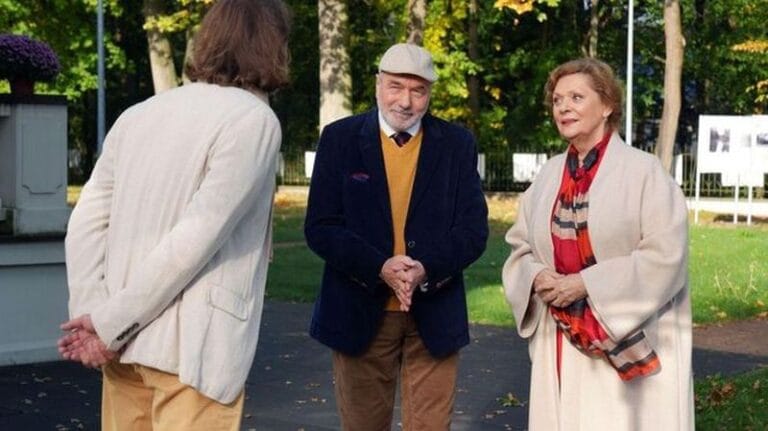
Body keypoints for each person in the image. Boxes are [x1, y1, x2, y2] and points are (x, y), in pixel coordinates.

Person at [57, 0, 290, 429]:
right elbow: (195, 239)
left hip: (123, 346)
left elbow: (86, 222)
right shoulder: (255, 121)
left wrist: (94, 315)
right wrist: (104, 325)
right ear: (274, 45)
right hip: (192, 349)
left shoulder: (138, 114)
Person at [502, 58, 693, 430]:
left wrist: (586, 283)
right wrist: (536, 276)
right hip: (561, 335)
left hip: (624, 332)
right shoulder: (548, 174)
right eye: (557, 100)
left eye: (576, 97)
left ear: (607, 105)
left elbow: (666, 255)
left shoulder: (644, 171)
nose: (563, 107)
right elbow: (520, 244)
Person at [305, 43, 488, 430]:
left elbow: (472, 231)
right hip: (359, 310)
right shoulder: (340, 139)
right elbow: (321, 226)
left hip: (433, 312)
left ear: (430, 94)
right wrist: (379, 267)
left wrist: (426, 268)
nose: (405, 101)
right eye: (395, 87)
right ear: (378, 85)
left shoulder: (457, 144)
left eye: (418, 90)